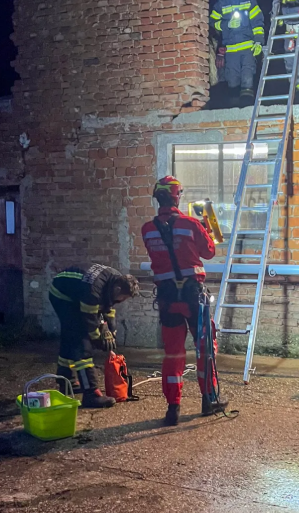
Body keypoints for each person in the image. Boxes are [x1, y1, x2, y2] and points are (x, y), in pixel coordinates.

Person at [141, 175, 228, 426]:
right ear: (176, 196)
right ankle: (208, 400)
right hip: (192, 295)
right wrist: (206, 228)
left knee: (172, 353)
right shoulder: (191, 224)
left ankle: (173, 408)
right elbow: (208, 252)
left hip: (168, 297)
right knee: (204, 347)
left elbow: (164, 254)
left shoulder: (147, 229)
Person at [49, 263, 140, 408]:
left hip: (76, 292)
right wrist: (98, 339)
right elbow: (90, 321)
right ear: (117, 289)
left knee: (69, 338)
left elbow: (108, 309)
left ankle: (66, 381)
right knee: (81, 342)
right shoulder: (93, 292)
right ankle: (91, 394)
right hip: (63, 296)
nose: (121, 301)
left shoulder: (115, 281)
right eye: (122, 298)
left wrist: (111, 331)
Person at [210, 0, 266, 106]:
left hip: (248, 49)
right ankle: (234, 113)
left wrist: (259, 42)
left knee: (247, 79)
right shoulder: (222, 4)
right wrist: (226, 24)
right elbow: (212, 21)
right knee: (232, 82)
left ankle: (247, 111)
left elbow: (258, 23)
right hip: (231, 51)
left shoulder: (249, 1)